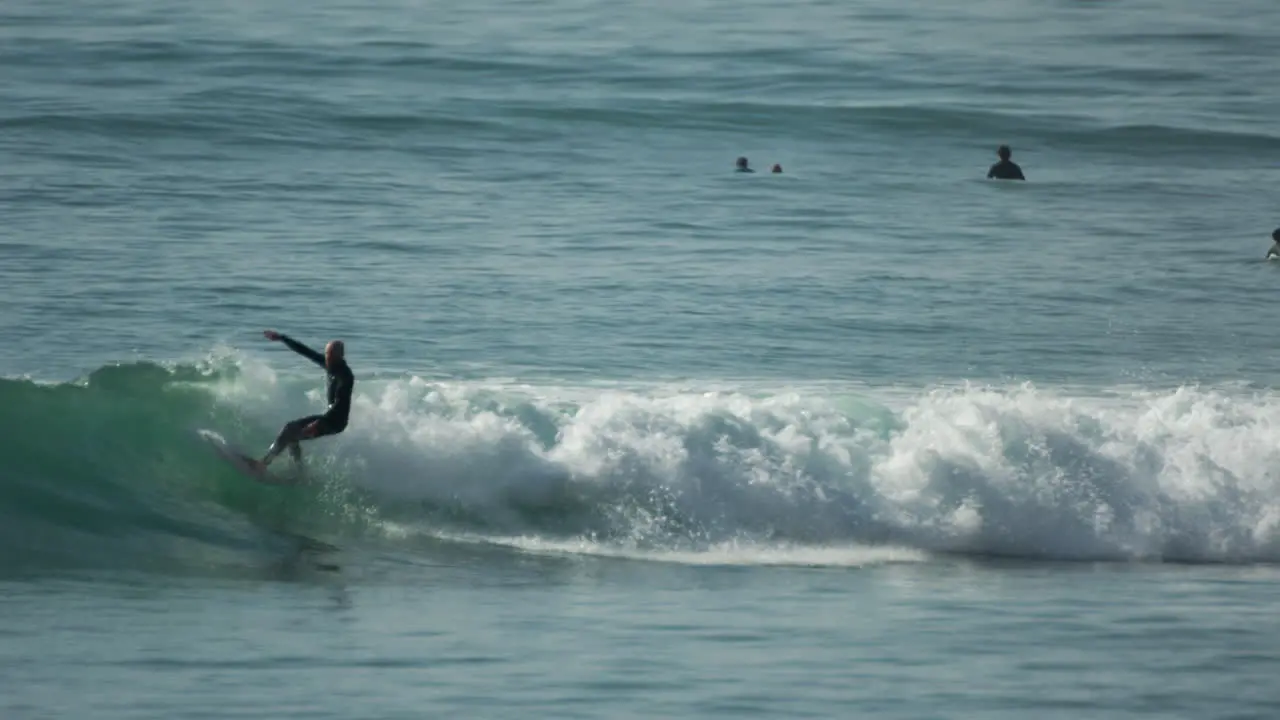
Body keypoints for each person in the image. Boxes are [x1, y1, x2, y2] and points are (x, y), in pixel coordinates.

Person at [256, 330, 354, 469]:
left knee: (289, 429)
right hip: (328, 419)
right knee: (292, 435)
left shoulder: (345, 376)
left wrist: (318, 422)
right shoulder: (330, 364)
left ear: (340, 356)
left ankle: (263, 464)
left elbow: (339, 403)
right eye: (327, 354)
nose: (327, 358)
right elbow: (306, 351)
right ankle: (299, 471)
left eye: (331, 356)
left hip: (335, 422)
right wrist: (282, 338)